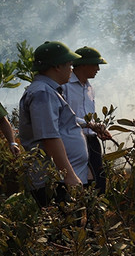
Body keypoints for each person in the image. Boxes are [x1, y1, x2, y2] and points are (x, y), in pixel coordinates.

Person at [18, 41, 87, 207]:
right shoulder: (42, 92)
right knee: (64, 229)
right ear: (57, 66)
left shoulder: (48, 90)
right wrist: (69, 176)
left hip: (58, 179)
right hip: (55, 181)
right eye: (69, 65)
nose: (71, 69)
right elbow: (49, 137)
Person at [62, 46, 112, 193]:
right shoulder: (64, 86)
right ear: (83, 64)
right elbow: (63, 116)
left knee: (99, 182)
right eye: (95, 64)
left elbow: (89, 116)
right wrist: (89, 125)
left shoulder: (90, 88)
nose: (98, 69)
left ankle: (94, 215)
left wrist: (97, 129)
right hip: (72, 140)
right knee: (75, 182)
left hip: (91, 140)